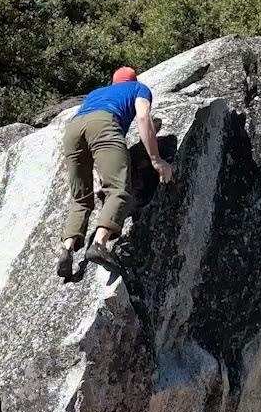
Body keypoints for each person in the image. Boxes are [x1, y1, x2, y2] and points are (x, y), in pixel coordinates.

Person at [56, 66, 174, 278]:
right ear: (133, 80)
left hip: (73, 130)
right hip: (104, 124)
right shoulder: (139, 88)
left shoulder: (96, 93)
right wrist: (156, 159)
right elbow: (143, 118)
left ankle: (66, 248)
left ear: (113, 82)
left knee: (80, 199)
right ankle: (99, 244)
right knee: (118, 189)